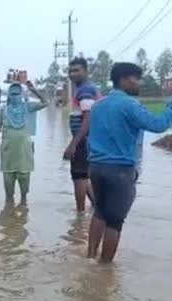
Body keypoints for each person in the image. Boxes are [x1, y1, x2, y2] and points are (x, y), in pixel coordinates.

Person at [86, 62, 172, 263]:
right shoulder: (129, 105)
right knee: (115, 222)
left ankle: (89, 258)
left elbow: (92, 137)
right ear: (124, 79)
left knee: (99, 212)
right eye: (136, 78)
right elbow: (158, 125)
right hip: (119, 170)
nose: (138, 83)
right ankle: (104, 270)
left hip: (96, 167)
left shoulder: (98, 105)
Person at [0, 82, 48, 205]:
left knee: (24, 190)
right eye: (12, 93)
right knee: (8, 190)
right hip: (8, 153)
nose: (15, 96)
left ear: (21, 94)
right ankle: (9, 212)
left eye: (17, 93)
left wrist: (33, 89)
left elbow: (45, 102)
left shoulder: (28, 107)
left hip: (24, 153)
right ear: (9, 95)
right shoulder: (3, 110)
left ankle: (22, 210)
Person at [64, 58, 102, 212]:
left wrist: (74, 144)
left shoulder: (85, 90)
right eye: (70, 71)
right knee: (82, 175)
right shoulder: (84, 89)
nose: (73, 74)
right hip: (86, 139)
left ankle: (79, 215)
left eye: (77, 70)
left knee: (79, 177)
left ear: (86, 71)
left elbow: (88, 118)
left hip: (83, 140)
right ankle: (96, 206)